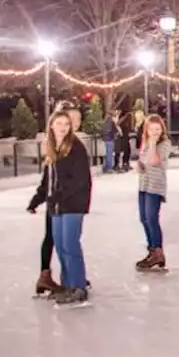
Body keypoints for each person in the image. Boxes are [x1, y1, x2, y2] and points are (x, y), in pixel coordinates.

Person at [41, 110, 93, 307]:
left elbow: (80, 180)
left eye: (66, 124)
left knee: (70, 245)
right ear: (51, 126)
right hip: (57, 205)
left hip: (73, 204)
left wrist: (58, 195)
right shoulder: (54, 147)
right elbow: (49, 179)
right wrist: (39, 197)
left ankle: (78, 286)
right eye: (59, 124)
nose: (63, 127)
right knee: (61, 246)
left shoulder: (75, 147)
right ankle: (67, 285)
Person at [135, 114, 172, 271]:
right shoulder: (145, 142)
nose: (155, 132)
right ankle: (151, 250)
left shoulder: (164, 143)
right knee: (143, 218)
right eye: (152, 129)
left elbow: (154, 160)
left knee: (151, 218)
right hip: (144, 183)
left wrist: (152, 142)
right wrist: (139, 165)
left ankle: (158, 251)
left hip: (155, 185)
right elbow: (144, 160)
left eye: (158, 129)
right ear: (147, 129)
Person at [116, 106, 133, 171]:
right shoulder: (122, 120)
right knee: (125, 151)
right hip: (123, 138)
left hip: (125, 138)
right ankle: (124, 163)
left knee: (128, 151)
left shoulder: (125, 121)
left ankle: (125, 163)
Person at [101, 107, 118, 174]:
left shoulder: (104, 121)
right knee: (109, 154)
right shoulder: (111, 121)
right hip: (110, 139)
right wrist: (115, 134)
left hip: (105, 139)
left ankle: (105, 167)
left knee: (106, 154)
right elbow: (114, 130)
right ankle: (109, 168)